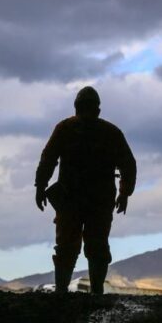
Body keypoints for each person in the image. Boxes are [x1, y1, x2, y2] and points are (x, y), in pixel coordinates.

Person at [34, 86, 136, 294]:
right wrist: (124, 193)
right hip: (90, 200)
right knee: (87, 245)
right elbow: (128, 164)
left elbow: (48, 159)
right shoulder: (109, 132)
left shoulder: (66, 128)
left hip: (79, 200)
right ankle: (89, 291)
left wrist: (41, 186)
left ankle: (67, 291)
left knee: (74, 246)